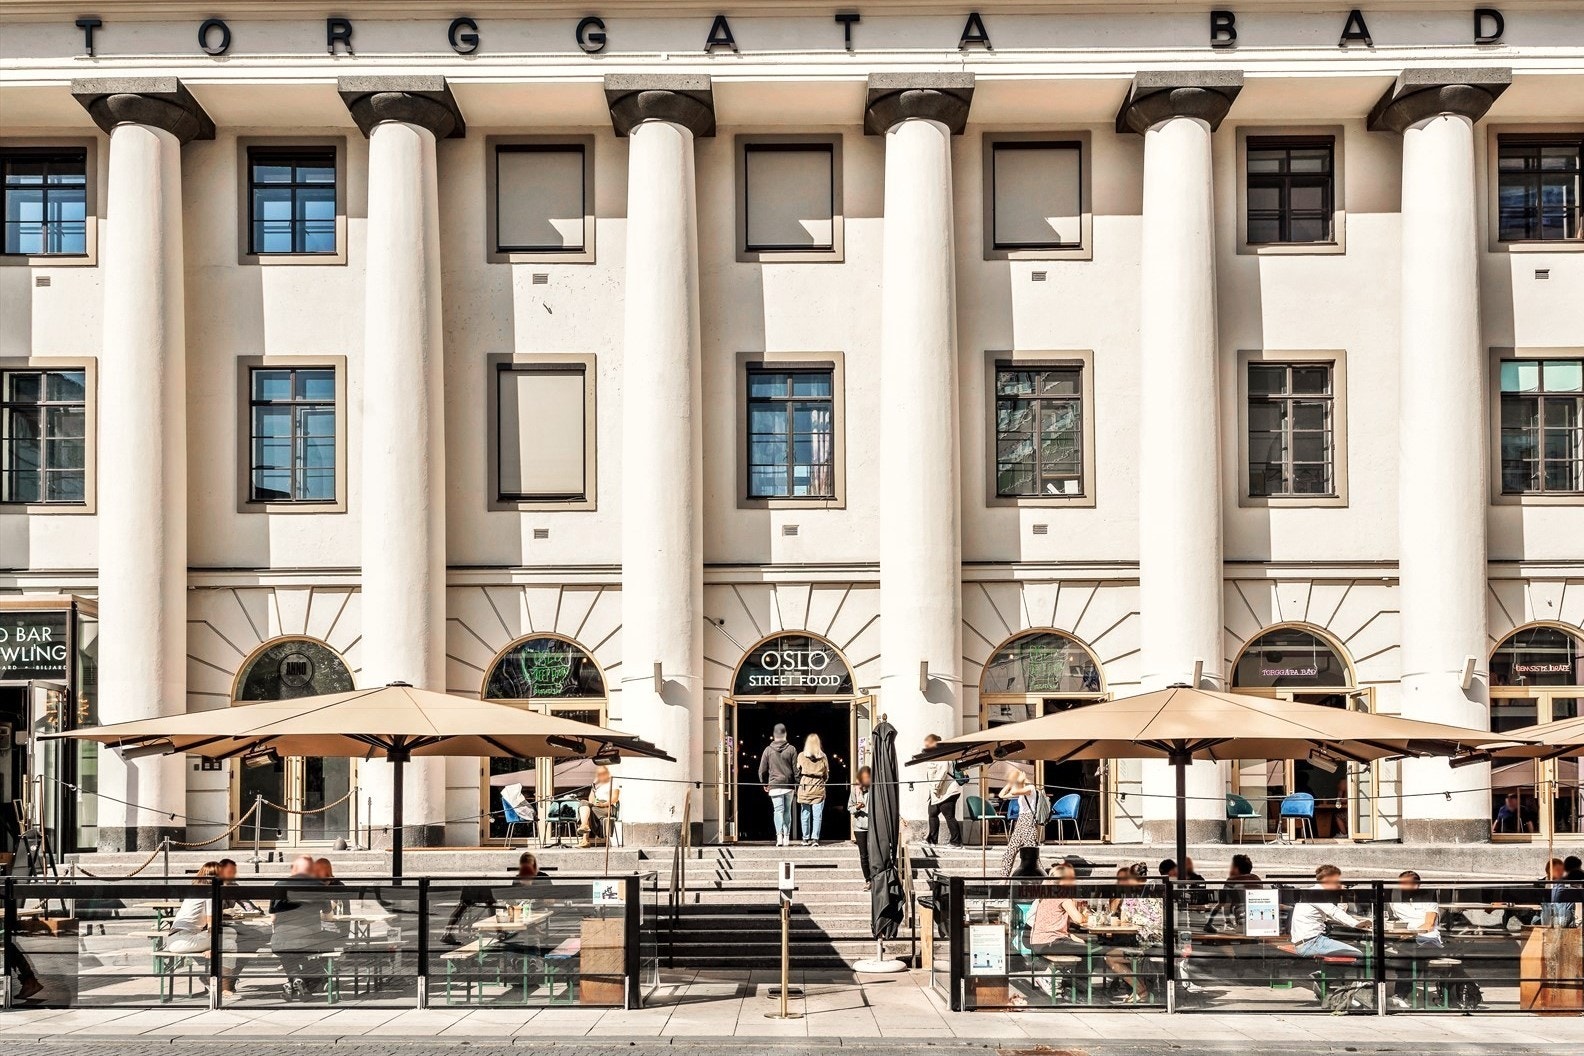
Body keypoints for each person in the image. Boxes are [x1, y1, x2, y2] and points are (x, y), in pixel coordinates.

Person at [163, 861, 241, 995]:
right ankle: (221, 984)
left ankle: (219, 982)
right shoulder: (209, 893)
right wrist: (214, 945)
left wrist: (212, 946)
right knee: (230, 944)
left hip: (179, 938)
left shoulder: (197, 890)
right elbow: (211, 923)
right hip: (184, 940)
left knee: (230, 932)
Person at [270, 854, 337, 1001]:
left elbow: (273, 918)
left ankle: (294, 979)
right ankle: (301, 981)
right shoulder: (319, 886)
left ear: (294, 869)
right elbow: (328, 916)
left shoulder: (279, 885)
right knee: (305, 951)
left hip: (281, 939)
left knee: (286, 952)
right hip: (310, 939)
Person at [1386, 869, 1450, 1009]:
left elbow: (1429, 925)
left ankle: (1400, 995)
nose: (1402, 887)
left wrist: (1411, 933)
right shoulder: (1395, 900)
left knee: (1409, 958)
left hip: (1427, 938)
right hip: (1406, 937)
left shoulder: (1429, 899)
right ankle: (1400, 994)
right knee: (1406, 956)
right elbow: (1392, 918)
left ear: (1417, 885)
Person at [1103, 862, 1162, 1004]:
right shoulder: (1153, 890)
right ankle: (1138, 990)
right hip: (1151, 939)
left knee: (1110, 957)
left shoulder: (1137, 894)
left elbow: (1123, 917)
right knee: (1115, 951)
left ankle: (1141, 991)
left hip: (1144, 941)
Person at [1291, 863, 1372, 962]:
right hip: (1312, 943)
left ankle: (1322, 974)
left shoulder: (1311, 892)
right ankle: (1329, 974)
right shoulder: (1316, 894)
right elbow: (1334, 912)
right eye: (1337, 881)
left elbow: (1336, 913)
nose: (1339, 884)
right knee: (1358, 954)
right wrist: (1356, 923)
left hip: (1305, 943)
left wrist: (1342, 896)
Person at [757, 724, 798, 846]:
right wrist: (797, 783)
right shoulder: (792, 749)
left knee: (778, 811)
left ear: (774, 736)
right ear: (785, 735)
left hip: (774, 785)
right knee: (787, 811)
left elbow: (762, 769)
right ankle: (787, 837)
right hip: (788, 785)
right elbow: (796, 769)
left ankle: (779, 837)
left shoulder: (768, 750)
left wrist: (764, 783)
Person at [998, 769, 1040, 878]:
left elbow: (1013, 792)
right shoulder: (1022, 790)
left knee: (1033, 859)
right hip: (1020, 823)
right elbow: (1002, 795)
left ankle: (1045, 882)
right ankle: (1003, 880)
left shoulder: (1030, 788)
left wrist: (1020, 779)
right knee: (1009, 854)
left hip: (1028, 823)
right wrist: (1010, 783)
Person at [923, 735, 963, 847]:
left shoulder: (941, 755)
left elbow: (942, 772)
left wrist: (935, 787)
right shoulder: (936, 754)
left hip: (947, 791)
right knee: (932, 813)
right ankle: (931, 840)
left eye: (928, 743)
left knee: (949, 815)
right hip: (940, 792)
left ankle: (956, 842)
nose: (926, 745)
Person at [795, 734, 830, 847]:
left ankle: (805, 838)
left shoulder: (801, 756)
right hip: (818, 786)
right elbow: (826, 774)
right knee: (817, 815)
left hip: (805, 786)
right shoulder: (823, 756)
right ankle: (815, 838)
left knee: (805, 813)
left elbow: (797, 771)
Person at [578, 764, 620, 848]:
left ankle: (585, 839)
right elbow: (590, 800)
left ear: (607, 773)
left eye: (601, 774)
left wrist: (603, 804)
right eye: (598, 774)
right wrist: (593, 786)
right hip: (596, 806)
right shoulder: (597, 785)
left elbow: (615, 798)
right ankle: (584, 825)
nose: (599, 776)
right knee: (583, 803)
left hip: (607, 807)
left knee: (588, 810)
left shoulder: (613, 782)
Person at [849, 765, 873, 885]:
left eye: (867, 778)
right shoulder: (855, 791)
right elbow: (850, 808)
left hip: (873, 826)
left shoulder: (874, 790)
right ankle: (868, 879)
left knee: (874, 853)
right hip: (859, 827)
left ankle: (876, 878)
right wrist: (857, 808)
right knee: (864, 855)